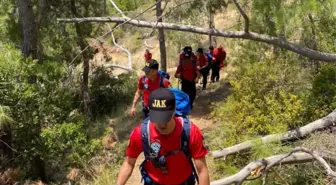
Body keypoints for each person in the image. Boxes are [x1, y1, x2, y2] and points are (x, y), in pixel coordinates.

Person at [116, 88, 210, 185]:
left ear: (174, 110)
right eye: (157, 118)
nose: (161, 124)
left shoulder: (190, 132)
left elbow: (202, 170)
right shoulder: (141, 133)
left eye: (165, 118)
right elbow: (128, 163)